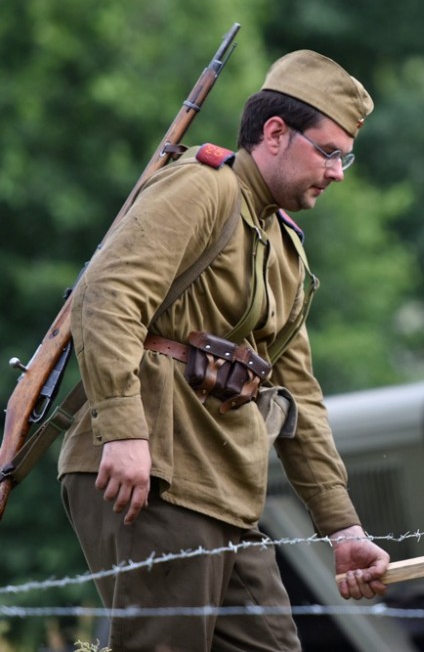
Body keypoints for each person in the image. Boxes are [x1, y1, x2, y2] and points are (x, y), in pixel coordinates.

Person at [58, 50, 390, 651]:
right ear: (275, 133)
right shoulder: (203, 187)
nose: (338, 172)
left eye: (345, 156)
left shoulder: (287, 250)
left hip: (224, 492)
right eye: (329, 152)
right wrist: (123, 430)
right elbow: (106, 296)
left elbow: (300, 399)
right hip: (154, 471)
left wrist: (342, 527)